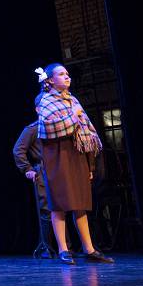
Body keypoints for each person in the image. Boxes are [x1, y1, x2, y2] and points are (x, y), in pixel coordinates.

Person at [34, 64, 113, 265]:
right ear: (50, 80)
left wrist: (90, 164)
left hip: (76, 154)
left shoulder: (73, 100)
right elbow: (48, 128)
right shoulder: (46, 101)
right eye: (61, 74)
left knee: (80, 204)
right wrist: (73, 115)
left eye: (67, 73)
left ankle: (89, 249)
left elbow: (86, 129)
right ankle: (63, 249)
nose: (67, 76)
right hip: (58, 155)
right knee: (59, 204)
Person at [13, 119, 56, 258]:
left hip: (58, 169)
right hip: (43, 171)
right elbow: (18, 150)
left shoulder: (56, 125)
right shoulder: (33, 129)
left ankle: (66, 248)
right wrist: (27, 169)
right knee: (46, 210)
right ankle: (45, 247)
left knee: (61, 209)